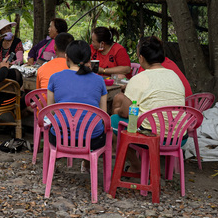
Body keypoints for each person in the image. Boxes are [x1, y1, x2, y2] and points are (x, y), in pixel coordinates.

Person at [111, 36, 186, 171]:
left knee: (114, 121)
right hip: (179, 137)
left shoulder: (139, 78)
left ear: (141, 58)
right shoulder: (174, 75)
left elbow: (125, 111)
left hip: (151, 136)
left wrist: (116, 111)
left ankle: (136, 166)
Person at [46, 40, 109, 150]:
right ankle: (87, 163)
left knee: (53, 129)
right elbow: (103, 115)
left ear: (67, 57)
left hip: (59, 137)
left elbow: (50, 112)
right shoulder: (99, 80)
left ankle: (55, 161)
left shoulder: (54, 78)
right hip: (92, 139)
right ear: (89, 59)